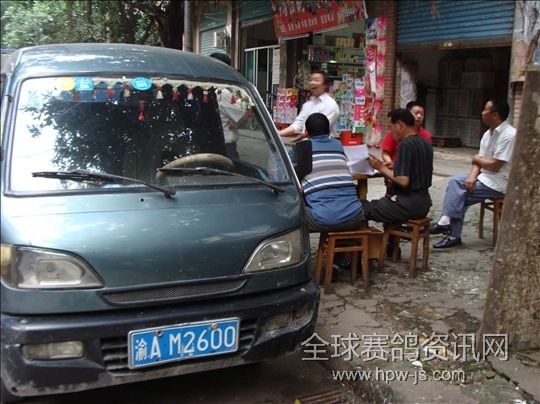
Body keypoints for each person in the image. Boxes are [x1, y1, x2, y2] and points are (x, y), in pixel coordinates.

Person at [431, 97, 516, 249]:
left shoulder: (509, 135)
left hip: (499, 182)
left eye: (485, 110)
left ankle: (450, 229)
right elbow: (479, 161)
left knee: (458, 195)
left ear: (495, 114)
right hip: (484, 177)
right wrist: (472, 176)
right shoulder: (487, 134)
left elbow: (495, 166)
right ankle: (448, 227)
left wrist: (477, 159)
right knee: (456, 184)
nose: (482, 113)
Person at [362, 108, 433, 224]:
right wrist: (396, 166)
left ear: (400, 125)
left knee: (362, 208)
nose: (391, 131)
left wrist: (380, 167)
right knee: (377, 204)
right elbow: (417, 168)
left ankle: (360, 234)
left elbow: (403, 181)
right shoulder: (425, 142)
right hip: (424, 202)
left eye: (390, 127)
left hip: (407, 205)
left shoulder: (405, 144)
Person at [299, 112, 366, 232]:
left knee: (292, 215)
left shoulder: (301, 148)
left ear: (306, 132)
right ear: (329, 131)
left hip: (323, 220)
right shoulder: (338, 145)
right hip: (355, 216)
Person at [278, 70, 339, 141]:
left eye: (316, 80)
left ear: (325, 85)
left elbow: (320, 129)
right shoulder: (308, 104)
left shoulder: (330, 104)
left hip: (322, 145)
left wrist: (303, 135)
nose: (312, 83)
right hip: (306, 144)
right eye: (311, 80)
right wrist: (278, 133)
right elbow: (298, 124)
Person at [210, 52, 245, 159]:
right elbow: (244, 110)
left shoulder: (205, 89)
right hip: (225, 147)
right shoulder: (222, 93)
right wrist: (237, 120)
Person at [380, 100, 432, 167]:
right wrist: (390, 162)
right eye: (416, 113)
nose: (419, 116)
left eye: (422, 114)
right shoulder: (394, 132)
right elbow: (385, 152)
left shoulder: (425, 136)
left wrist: (381, 167)